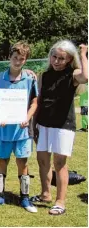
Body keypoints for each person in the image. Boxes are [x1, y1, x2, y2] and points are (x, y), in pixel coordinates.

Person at [31, 41, 87, 215]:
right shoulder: (45, 75)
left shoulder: (73, 74)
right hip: (43, 123)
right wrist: (34, 123)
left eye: (61, 58)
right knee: (42, 161)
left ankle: (60, 201)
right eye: (54, 57)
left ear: (69, 59)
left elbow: (86, 77)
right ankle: (45, 194)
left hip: (63, 126)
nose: (56, 61)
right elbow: (38, 101)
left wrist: (83, 54)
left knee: (60, 164)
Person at [0, 41, 38, 213]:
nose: (17, 61)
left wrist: (28, 117)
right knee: (2, 160)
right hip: (3, 129)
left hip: (22, 130)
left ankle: (25, 198)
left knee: (22, 161)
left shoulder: (30, 79)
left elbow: (34, 102)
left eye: (21, 59)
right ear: (10, 57)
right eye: (15, 57)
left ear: (25, 60)